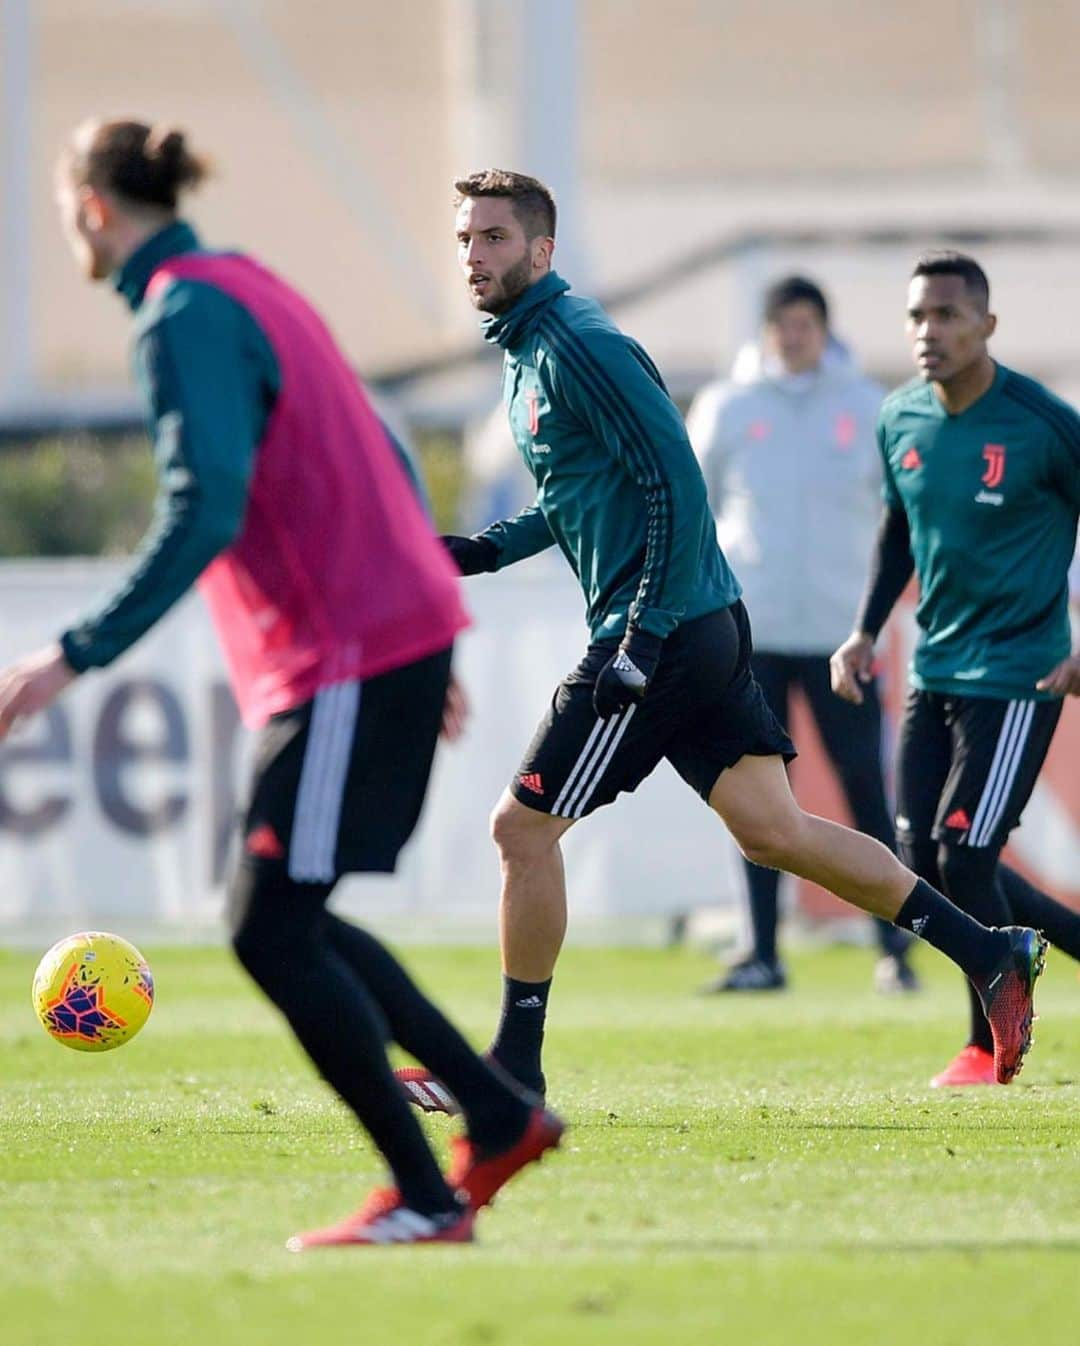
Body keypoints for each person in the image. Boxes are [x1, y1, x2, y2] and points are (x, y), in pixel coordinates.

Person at [0, 118, 564, 1248]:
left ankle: (431, 1182)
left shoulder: (181, 315)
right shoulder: (244, 283)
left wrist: (76, 652)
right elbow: (383, 443)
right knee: (286, 914)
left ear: (93, 209)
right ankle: (495, 1113)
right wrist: (423, 617)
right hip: (372, 640)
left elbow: (202, 508)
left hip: (351, 646)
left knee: (269, 923)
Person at [396, 170, 1046, 1114]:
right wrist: (486, 551)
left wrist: (642, 639)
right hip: (694, 624)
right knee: (775, 832)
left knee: (521, 829)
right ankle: (989, 951)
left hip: (660, 628)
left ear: (542, 251)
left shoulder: (579, 342)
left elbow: (673, 482)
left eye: (494, 239)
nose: (474, 256)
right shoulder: (529, 350)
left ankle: (511, 1071)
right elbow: (585, 492)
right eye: (464, 239)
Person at [832, 250, 1080, 1087]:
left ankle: (986, 1046)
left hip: (1020, 674)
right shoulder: (900, 417)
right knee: (919, 860)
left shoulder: (1044, 424)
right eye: (916, 317)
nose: (928, 332)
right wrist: (864, 631)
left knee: (967, 855)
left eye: (945, 315)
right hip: (934, 667)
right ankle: (1013, 965)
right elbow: (897, 533)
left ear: (987, 325)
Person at [687, 276, 916, 994]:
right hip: (746, 634)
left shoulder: (865, 405)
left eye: (805, 322)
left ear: (824, 328)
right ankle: (761, 950)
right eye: (782, 322)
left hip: (839, 634)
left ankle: (897, 948)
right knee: (756, 798)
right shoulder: (728, 405)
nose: (794, 335)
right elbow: (696, 504)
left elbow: (900, 514)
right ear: (766, 330)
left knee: (864, 788)